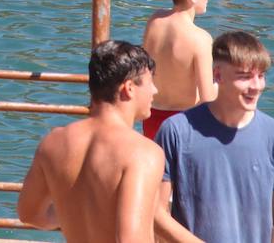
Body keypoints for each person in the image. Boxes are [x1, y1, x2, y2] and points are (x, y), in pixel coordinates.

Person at [154, 31, 274, 243]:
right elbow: (157, 212)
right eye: (245, 77)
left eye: (261, 76)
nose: (256, 86)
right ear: (218, 75)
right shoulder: (176, 131)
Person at [17, 40, 164, 243]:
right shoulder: (143, 152)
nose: (155, 91)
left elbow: (29, 213)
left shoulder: (53, 142)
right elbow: (131, 239)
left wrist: (73, 214)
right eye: (150, 82)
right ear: (129, 88)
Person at [141, 0, 218, 141]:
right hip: (183, 123)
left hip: (151, 116)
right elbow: (208, 99)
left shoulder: (154, 21)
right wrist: (222, 87)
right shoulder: (200, 38)